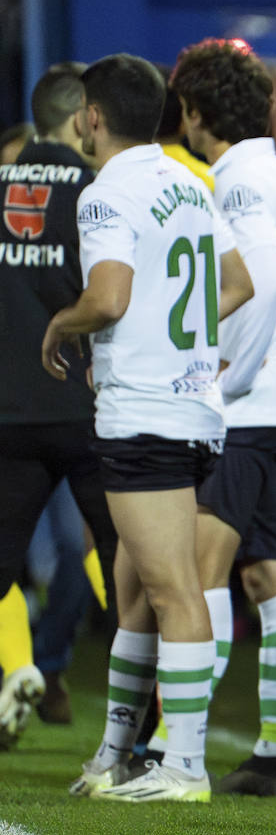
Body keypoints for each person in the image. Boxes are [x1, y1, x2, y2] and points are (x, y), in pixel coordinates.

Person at [47, 52, 254, 802]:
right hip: (194, 410)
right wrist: (183, 341)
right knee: (135, 594)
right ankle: (115, 754)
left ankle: (185, 766)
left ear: (92, 118)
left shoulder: (108, 192)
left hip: (145, 414)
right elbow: (238, 283)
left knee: (172, 593)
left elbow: (106, 298)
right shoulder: (188, 183)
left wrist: (61, 326)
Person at [168, 37, 276, 796]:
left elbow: (262, 283)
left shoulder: (234, 179)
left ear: (196, 112)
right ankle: (272, 756)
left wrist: (222, 367)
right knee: (271, 574)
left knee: (198, 569)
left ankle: (182, 755)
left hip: (244, 407)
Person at [0, 62, 119, 747]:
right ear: (83, 118)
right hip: (87, 408)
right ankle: (157, 723)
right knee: (123, 565)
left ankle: (19, 667)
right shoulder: (100, 190)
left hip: (9, 416)